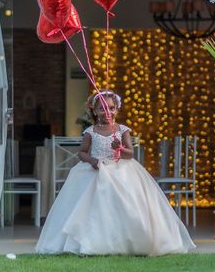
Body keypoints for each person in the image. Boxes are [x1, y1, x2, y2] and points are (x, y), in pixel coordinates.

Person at [35, 90, 195, 256]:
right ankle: (94, 242)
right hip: (95, 171)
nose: (107, 112)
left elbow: (130, 154)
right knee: (93, 209)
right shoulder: (91, 131)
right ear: (95, 111)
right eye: (102, 109)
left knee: (126, 205)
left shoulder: (122, 130)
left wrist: (119, 148)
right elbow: (82, 152)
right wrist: (92, 161)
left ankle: (130, 241)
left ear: (117, 109)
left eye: (111, 108)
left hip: (121, 171)